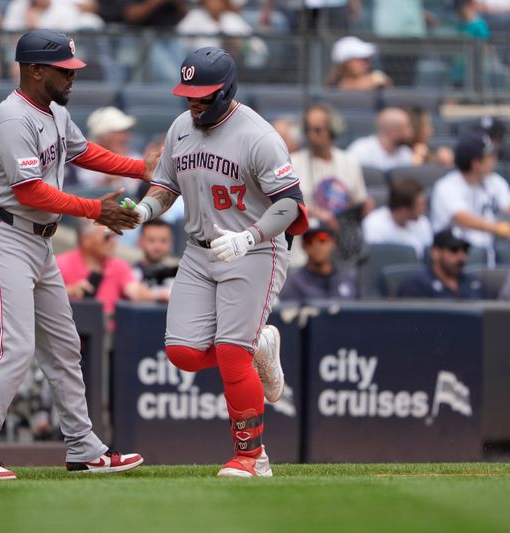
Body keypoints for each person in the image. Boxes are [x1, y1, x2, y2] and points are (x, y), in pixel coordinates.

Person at [0, 29, 160, 480]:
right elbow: (29, 189)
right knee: (15, 348)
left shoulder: (52, 111)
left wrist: (138, 168)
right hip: (4, 234)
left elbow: (83, 151)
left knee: (65, 346)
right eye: (63, 70)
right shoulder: (13, 117)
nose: (72, 77)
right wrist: (96, 210)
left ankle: (84, 448)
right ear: (34, 70)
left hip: (37, 240)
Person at [124, 47, 309, 478]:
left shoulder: (258, 136)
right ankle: (258, 348)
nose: (193, 102)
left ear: (225, 92)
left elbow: (290, 205)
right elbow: (165, 185)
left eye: (203, 95)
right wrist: (144, 212)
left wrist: (250, 237)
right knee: (184, 353)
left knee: (229, 353)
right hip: (199, 249)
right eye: (188, 93)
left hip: (255, 248)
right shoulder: (179, 128)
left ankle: (252, 457)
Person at [429, 131, 510, 263]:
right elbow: (464, 218)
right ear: (476, 163)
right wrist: (498, 228)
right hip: (456, 256)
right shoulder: (446, 186)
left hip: (489, 253)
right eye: (489, 156)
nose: (494, 159)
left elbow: (507, 207)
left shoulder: (495, 181)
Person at [58, 220, 165, 317]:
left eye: (115, 236)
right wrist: (69, 291)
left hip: (108, 335)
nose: (114, 242)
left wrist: (161, 294)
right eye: (108, 237)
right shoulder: (60, 265)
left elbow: (134, 291)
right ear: (86, 240)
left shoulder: (119, 266)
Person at [293, 103, 370, 232]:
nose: (312, 136)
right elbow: (285, 207)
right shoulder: (293, 163)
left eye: (317, 130)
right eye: (308, 130)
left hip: (341, 232)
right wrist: (314, 212)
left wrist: (366, 206)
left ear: (332, 130)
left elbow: (359, 200)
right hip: (307, 235)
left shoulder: (349, 161)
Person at [398, 229, 485, 299]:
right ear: (435, 253)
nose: (461, 257)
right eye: (454, 250)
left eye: (465, 250)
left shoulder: (474, 282)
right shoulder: (417, 285)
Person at [280, 224, 358, 302]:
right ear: (303, 246)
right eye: (309, 240)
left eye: (322, 239)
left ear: (333, 243)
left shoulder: (348, 279)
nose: (316, 245)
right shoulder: (294, 283)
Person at [362, 177, 433, 259]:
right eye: (420, 206)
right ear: (404, 210)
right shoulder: (373, 224)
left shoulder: (423, 222)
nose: (425, 209)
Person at [76, 107, 140, 191]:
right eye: (119, 132)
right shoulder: (84, 160)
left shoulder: (135, 157)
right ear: (103, 136)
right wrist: (108, 180)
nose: (126, 137)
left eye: (126, 131)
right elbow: (88, 194)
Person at [347, 108, 415, 172]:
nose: (410, 133)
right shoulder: (360, 151)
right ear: (393, 131)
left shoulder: (405, 153)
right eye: (406, 128)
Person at [326, 35, 392, 91]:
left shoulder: (375, 80)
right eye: (361, 59)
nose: (367, 63)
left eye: (367, 59)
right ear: (347, 62)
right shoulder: (332, 88)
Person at [133, 219, 178, 295]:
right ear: (140, 241)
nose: (157, 246)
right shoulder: (130, 275)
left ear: (170, 243)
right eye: (151, 240)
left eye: (163, 240)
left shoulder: (178, 277)